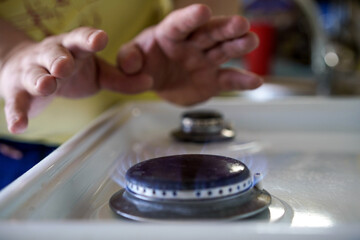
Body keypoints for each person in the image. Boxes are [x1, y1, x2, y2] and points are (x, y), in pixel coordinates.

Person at [0, 0, 262, 189]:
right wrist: (9, 55)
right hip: (19, 148)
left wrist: (196, 39)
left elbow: (211, 9)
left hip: (150, 129)